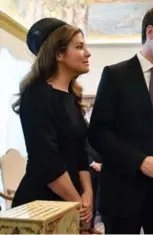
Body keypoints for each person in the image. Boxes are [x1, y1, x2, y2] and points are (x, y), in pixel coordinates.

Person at [88, 6, 153, 234]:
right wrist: (141, 162)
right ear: (151, 31)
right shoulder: (115, 75)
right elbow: (98, 133)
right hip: (123, 194)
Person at [11, 17, 93, 230]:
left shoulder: (71, 96)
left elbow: (80, 154)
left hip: (71, 199)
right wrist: (77, 204)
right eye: (79, 47)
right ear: (58, 54)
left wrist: (88, 194)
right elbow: (46, 161)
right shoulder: (37, 94)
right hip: (42, 203)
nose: (88, 53)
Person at [84, 105, 103, 234]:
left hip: (101, 167)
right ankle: (86, 227)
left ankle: (91, 226)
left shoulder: (101, 123)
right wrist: (92, 163)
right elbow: (81, 148)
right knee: (87, 199)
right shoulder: (82, 123)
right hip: (87, 168)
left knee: (95, 197)